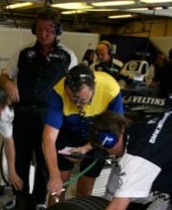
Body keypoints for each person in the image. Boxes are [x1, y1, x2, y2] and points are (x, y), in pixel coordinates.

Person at [0, 9, 78, 210]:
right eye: (40, 30)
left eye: (49, 31)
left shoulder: (67, 56)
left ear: (57, 31)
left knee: (45, 163)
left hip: (49, 116)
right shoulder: (23, 53)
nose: (44, 35)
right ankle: (21, 208)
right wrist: (7, 84)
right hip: (23, 114)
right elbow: (5, 75)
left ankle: (41, 206)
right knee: (20, 161)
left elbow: (74, 87)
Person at [42, 65, 124, 201]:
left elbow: (115, 128)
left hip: (98, 135)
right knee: (58, 186)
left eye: (82, 99)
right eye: (73, 99)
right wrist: (54, 174)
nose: (78, 104)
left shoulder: (110, 88)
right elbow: (49, 137)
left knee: (85, 187)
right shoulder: (58, 91)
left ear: (94, 88)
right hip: (68, 131)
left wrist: (86, 148)